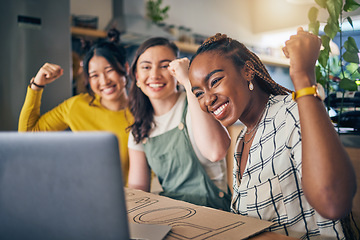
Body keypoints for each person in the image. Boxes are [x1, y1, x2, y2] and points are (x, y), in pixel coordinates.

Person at [187, 28, 357, 239]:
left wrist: (303, 76)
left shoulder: (293, 111)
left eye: (215, 82)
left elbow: (333, 203)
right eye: (199, 94)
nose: (207, 100)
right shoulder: (242, 139)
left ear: (247, 71)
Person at [127, 37, 232, 211]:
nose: (154, 75)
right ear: (137, 77)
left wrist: (190, 82)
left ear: (176, 72)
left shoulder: (197, 103)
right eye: (146, 67)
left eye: (164, 66)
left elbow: (216, 152)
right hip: (172, 213)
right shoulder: (138, 131)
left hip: (214, 212)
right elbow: (138, 192)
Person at [18, 41, 133, 185]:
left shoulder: (143, 111)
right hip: (84, 195)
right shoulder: (77, 106)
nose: (104, 81)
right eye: (94, 75)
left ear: (126, 68)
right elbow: (27, 134)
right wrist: (37, 86)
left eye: (109, 70)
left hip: (135, 201)